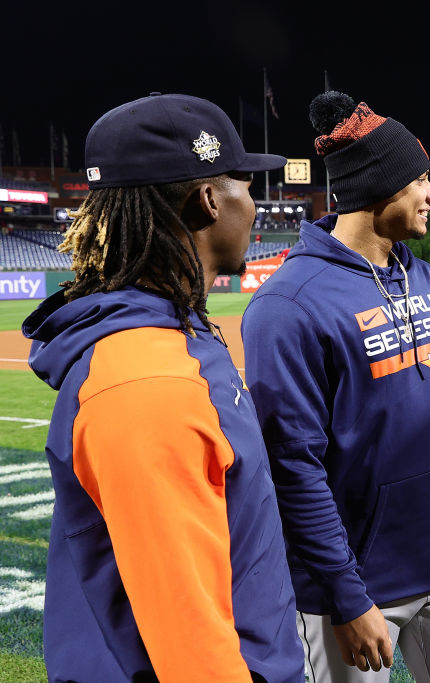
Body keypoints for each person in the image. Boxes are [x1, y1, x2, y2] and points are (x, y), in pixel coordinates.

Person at [21, 93, 303, 681]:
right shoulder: (147, 383)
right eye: (244, 183)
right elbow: (191, 647)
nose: (254, 202)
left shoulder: (174, 331)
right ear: (207, 199)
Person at [242, 91, 430, 683]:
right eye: (420, 180)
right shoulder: (287, 304)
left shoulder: (425, 276)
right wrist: (344, 594)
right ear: (380, 186)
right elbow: (292, 466)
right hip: (358, 586)